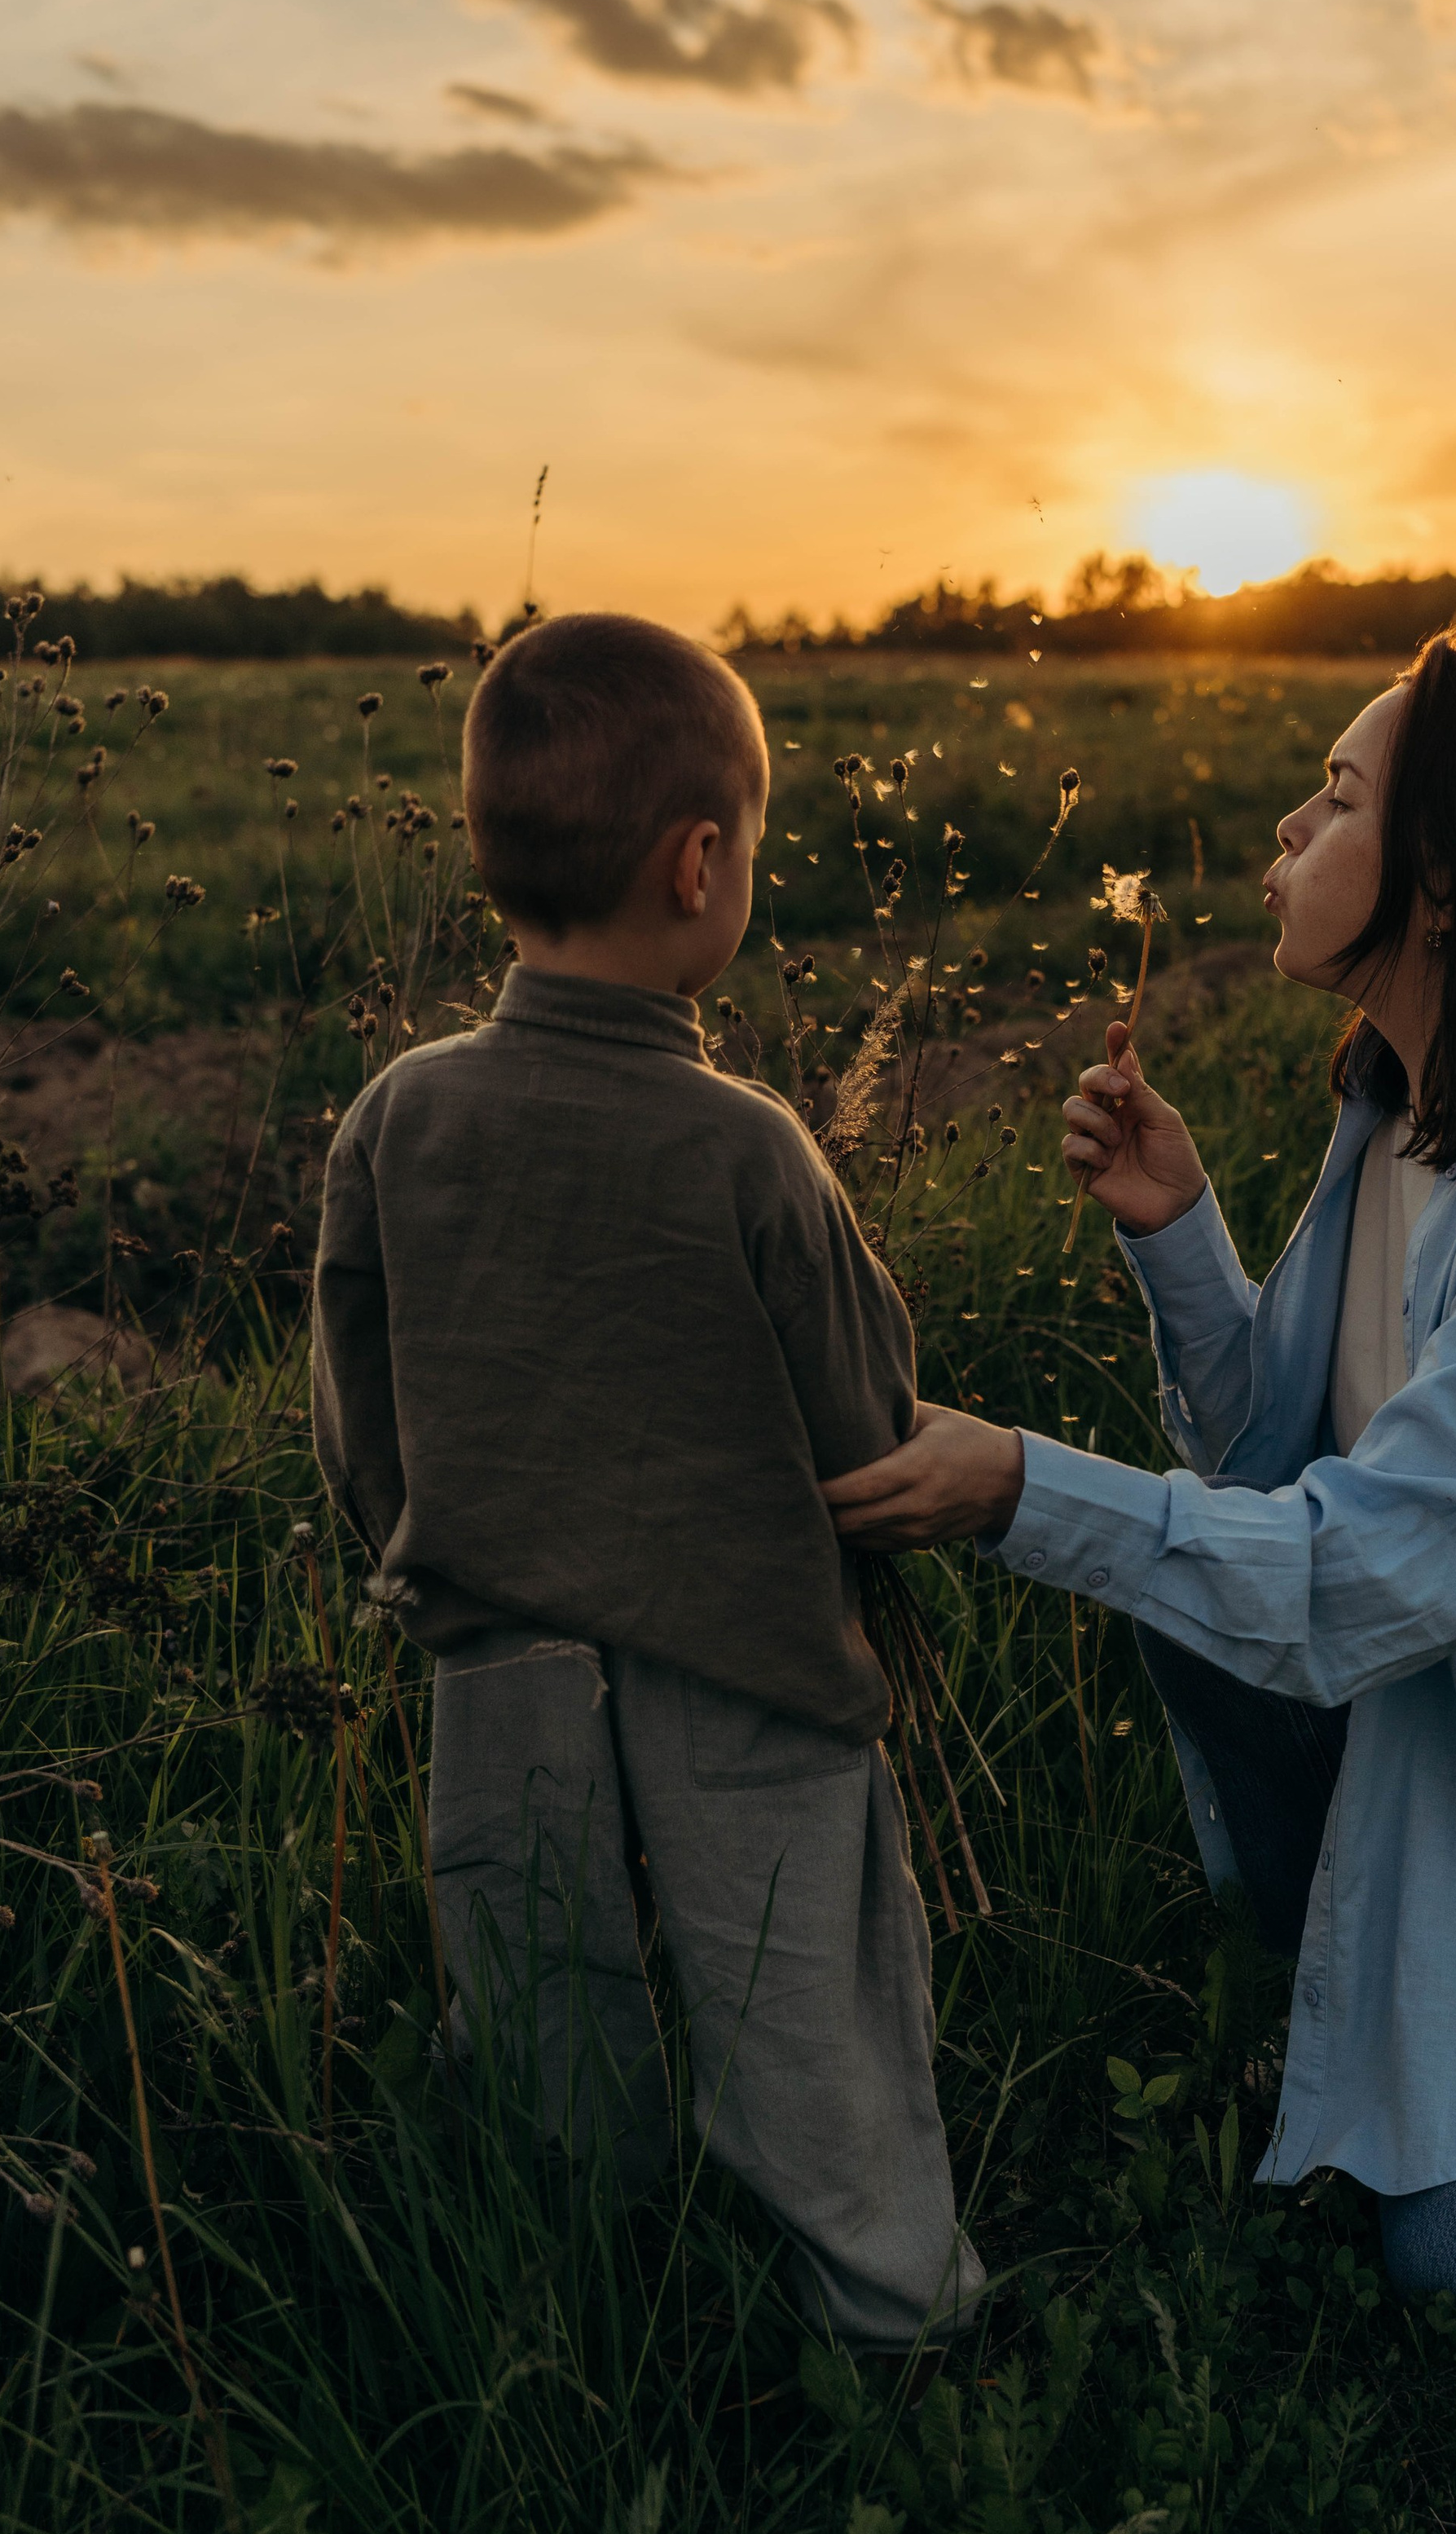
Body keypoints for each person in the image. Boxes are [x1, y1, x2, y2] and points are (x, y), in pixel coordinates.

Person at [825, 624, 1456, 2350]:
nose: (1283, 841)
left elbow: (1361, 1575)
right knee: (1191, 1597)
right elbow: (1277, 1468)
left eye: (1331, 800)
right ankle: (1365, 1949)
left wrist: (1019, 1489)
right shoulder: (1408, 1101)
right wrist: (1178, 1237)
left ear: (1444, 883)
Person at [311, 611, 983, 2352]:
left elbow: (357, 1413)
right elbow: (866, 1423)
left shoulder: (397, 1118)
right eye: (749, 841)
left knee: (541, 2050)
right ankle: (897, 2339)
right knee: (812, 2052)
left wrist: (434, 1556)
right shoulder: (748, 1145)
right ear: (700, 865)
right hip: (748, 1674)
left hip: (498, 1676)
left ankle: (577, 2349)